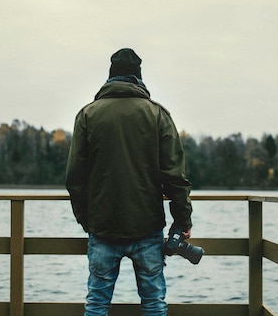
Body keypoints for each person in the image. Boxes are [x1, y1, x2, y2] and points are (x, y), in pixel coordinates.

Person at [65, 48, 193, 316]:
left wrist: (88, 221)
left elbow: (75, 178)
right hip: (147, 228)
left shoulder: (88, 115)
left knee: (97, 302)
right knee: (154, 302)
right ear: (139, 77)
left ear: (110, 76)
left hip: (102, 228)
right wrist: (182, 222)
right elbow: (174, 176)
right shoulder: (157, 115)